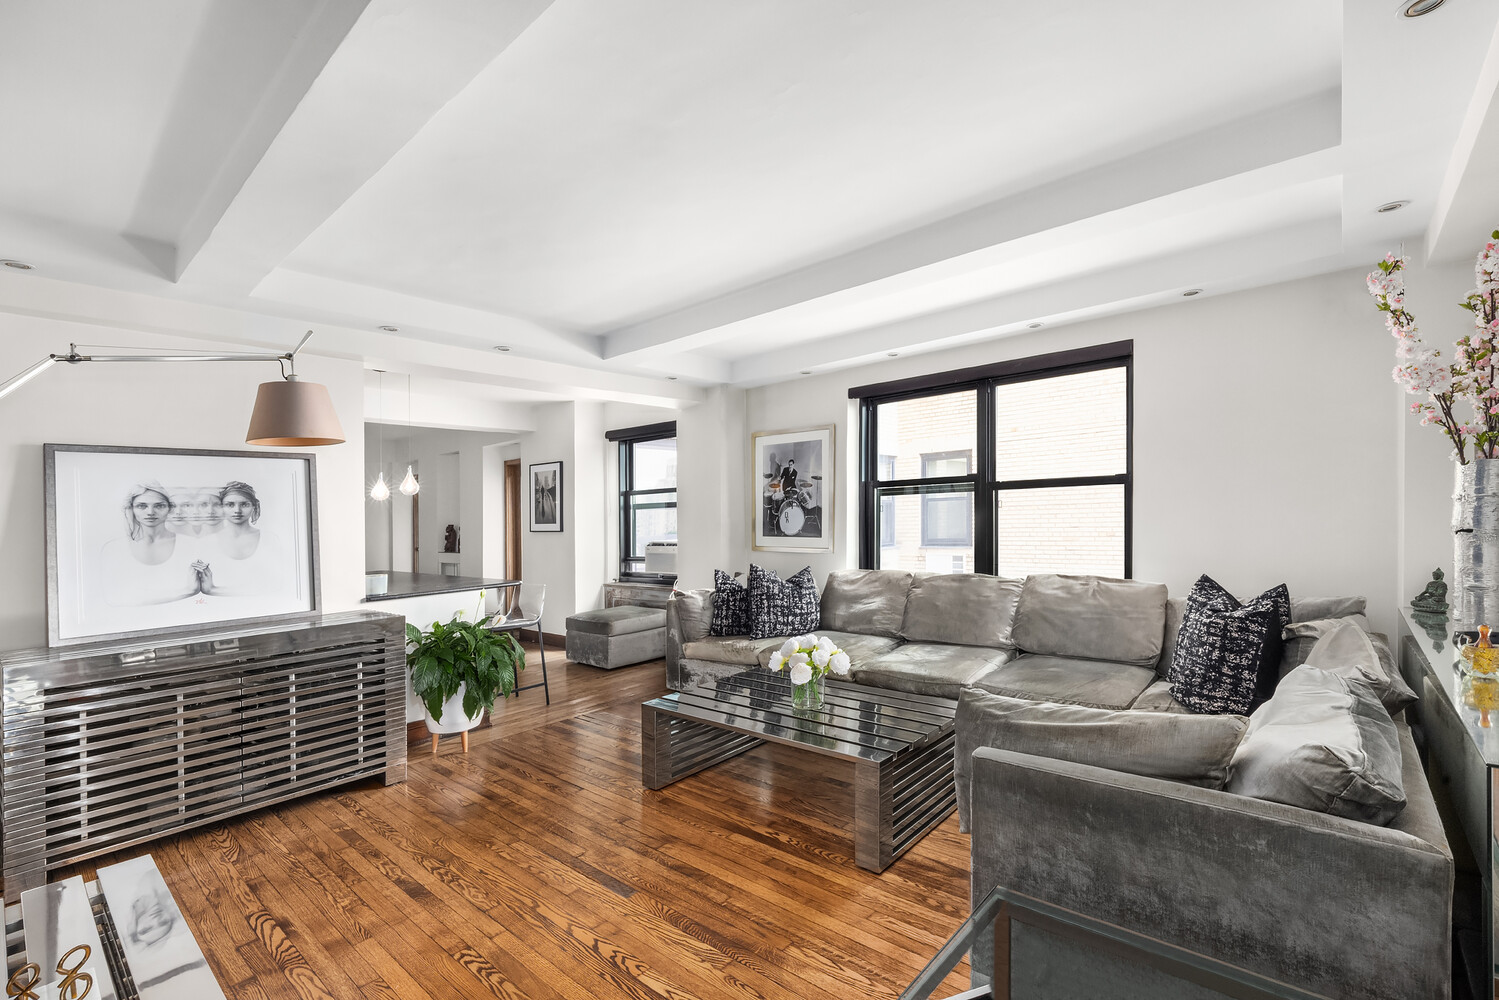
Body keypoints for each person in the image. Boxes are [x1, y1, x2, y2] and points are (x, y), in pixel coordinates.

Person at [100, 483, 203, 606]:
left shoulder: (190, 544)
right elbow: (114, 598)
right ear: (131, 509)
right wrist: (186, 591)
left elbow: (201, 601)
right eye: (141, 506)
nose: (150, 512)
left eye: (159, 506)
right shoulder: (113, 549)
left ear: (170, 508)